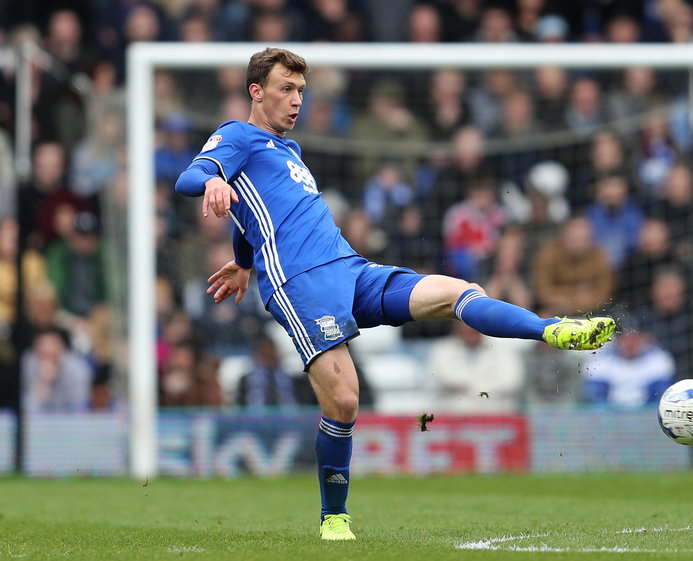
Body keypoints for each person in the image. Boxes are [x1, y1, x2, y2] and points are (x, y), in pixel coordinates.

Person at [175, 47, 615, 541]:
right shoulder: (238, 134)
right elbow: (191, 177)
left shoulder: (290, 151)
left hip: (351, 268)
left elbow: (253, 211)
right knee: (343, 401)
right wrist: (211, 179)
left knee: (458, 292)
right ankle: (334, 518)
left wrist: (243, 259)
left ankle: (550, 329)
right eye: (285, 89)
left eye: (301, 90)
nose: (296, 100)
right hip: (300, 286)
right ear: (256, 91)